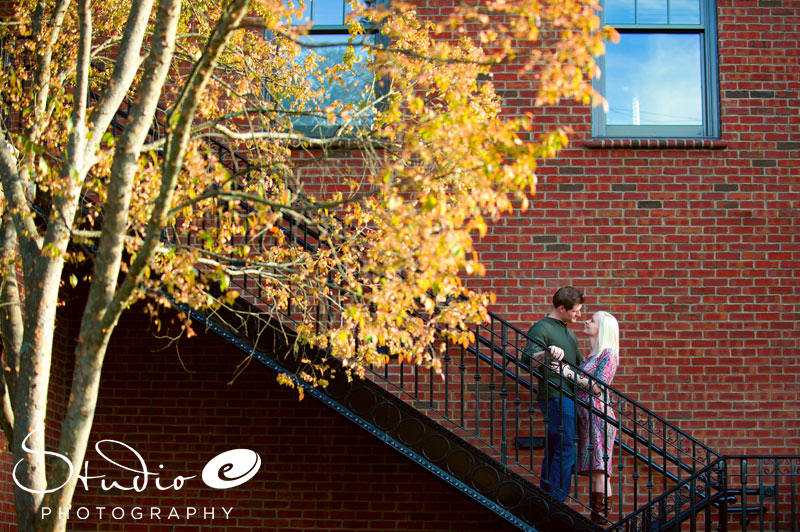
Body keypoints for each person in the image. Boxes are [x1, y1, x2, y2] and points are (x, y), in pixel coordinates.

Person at [523, 286, 584, 502]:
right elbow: (528, 362)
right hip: (555, 395)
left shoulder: (569, 331)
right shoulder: (542, 328)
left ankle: (547, 497)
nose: (579, 315)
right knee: (566, 447)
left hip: (568, 395)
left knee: (555, 447)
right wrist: (546, 353)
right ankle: (557, 502)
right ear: (561, 308)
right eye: (576, 311)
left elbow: (580, 365)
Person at [558, 311, 619, 524]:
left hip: (599, 417)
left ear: (602, 329)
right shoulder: (591, 356)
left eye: (592, 320)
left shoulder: (608, 354)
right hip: (586, 416)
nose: (586, 321)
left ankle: (601, 522)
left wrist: (568, 374)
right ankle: (598, 520)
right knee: (595, 471)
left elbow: (599, 386)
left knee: (600, 471)